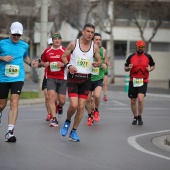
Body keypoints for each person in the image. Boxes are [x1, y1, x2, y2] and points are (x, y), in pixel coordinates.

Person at [60, 23, 101, 141]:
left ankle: (73, 131)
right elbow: (63, 56)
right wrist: (68, 66)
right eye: (88, 31)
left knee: (81, 107)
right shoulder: (74, 44)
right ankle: (67, 121)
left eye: (92, 32)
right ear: (83, 32)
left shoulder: (94, 47)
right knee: (73, 105)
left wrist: (97, 63)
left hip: (86, 79)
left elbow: (98, 59)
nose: (90, 34)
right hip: (73, 78)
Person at [0, 21, 37, 142]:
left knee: (14, 101)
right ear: (10, 31)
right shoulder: (2, 43)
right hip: (3, 78)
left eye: (18, 35)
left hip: (18, 77)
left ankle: (10, 132)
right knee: (1, 104)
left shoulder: (24, 45)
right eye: (14, 34)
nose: (16, 37)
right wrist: (2, 57)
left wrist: (31, 63)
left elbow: (25, 57)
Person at [41, 32, 69, 127]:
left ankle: (59, 107)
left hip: (62, 78)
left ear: (61, 40)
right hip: (51, 77)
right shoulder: (47, 51)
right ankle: (54, 119)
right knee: (51, 97)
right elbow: (42, 61)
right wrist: (44, 64)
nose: (56, 40)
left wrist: (64, 64)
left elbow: (70, 63)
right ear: (52, 41)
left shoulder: (65, 51)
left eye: (58, 39)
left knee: (62, 101)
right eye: (55, 39)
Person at [124, 40, 155, 125]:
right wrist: (128, 68)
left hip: (143, 80)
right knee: (133, 100)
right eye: (139, 47)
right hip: (133, 80)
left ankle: (140, 116)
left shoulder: (148, 56)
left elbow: (153, 65)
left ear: (144, 47)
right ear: (136, 47)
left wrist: (150, 69)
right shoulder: (131, 57)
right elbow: (125, 68)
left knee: (140, 99)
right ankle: (135, 117)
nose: (141, 48)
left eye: (142, 47)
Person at [85, 33, 108, 126]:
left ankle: (96, 110)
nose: (98, 41)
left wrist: (104, 65)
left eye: (99, 39)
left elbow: (106, 62)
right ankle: (90, 116)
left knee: (97, 96)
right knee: (87, 100)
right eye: (96, 40)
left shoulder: (103, 50)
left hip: (98, 76)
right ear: (92, 41)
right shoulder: (87, 50)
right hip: (88, 78)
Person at [38, 38, 53, 121]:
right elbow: (39, 64)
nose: (51, 46)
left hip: (58, 77)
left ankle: (56, 107)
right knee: (47, 96)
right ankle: (49, 114)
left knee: (54, 97)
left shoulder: (61, 52)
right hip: (47, 77)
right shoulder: (46, 52)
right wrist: (44, 64)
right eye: (50, 44)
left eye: (52, 44)